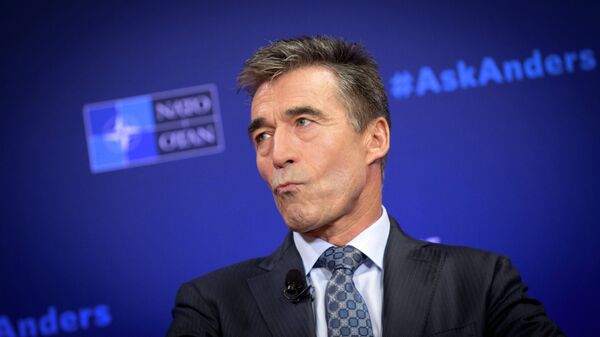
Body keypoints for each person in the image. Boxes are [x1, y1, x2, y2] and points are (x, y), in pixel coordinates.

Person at [166, 36, 564, 337]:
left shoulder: (481, 283)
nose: (277, 154)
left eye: (303, 122)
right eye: (262, 136)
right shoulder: (212, 307)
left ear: (375, 139)